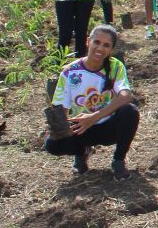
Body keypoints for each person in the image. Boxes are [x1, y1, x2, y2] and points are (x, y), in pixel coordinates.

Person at [43, 24, 139, 179]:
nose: (100, 48)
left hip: (108, 125)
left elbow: (125, 96)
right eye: (97, 42)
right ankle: (82, 152)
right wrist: (60, 129)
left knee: (130, 111)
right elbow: (61, 108)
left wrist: (93, 118)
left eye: (106, 45)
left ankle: (118, 160)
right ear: (88, 42)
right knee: (52, 145)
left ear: (111, 49)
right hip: (81, 129)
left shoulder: (115, 66)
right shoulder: (70, 72)